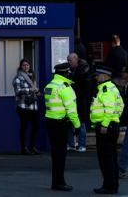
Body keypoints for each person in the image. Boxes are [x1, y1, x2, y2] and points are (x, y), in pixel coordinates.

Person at [44, 62, 81, 192]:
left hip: (50, 121)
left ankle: (56, 182)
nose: (70, 74)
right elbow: (71, 110)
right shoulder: (65, 88)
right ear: (65, 73)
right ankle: (60, 182)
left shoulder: (50, 85)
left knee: (55, 154)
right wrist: (77, 126)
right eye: (68, 72)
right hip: (60, 124)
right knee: (61, 154)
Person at [91, 64, 124, 195]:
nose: (96, 77)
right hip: (111, 125)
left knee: (106, 158)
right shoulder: (112, 88)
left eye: (98, 75)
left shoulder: (105, 89)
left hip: (106, 127)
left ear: (104, 76)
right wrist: (115, 119)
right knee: (111, 157)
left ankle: (109, 186)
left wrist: (105, 124)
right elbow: (121, 105)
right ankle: (111, 185)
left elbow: (109, 109)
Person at [13, 58, 41, 155]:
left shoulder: (32, 77)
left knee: (36, 126)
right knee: (24, 127)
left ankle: (32, 146)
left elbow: (35, 90)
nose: (26, 67)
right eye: (24, 65)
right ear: (21, 66)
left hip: (33, 106)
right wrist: (30, 90)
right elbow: (17, 92)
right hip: (23, 106)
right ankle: (23, 148)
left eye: (28, 65)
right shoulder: (18, 78)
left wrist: (37, 92)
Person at [66, 52, 93, 152]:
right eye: (68, 60)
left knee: (81, 122)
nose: (69, 62)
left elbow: (87, 87)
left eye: (70, 60)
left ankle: (82, 144)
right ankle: (71, 144)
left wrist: (85, 98)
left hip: (81, 100)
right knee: (70, 122)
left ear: (76, 59)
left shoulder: (84, 71)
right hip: (71, 100)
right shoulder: (69, 71)